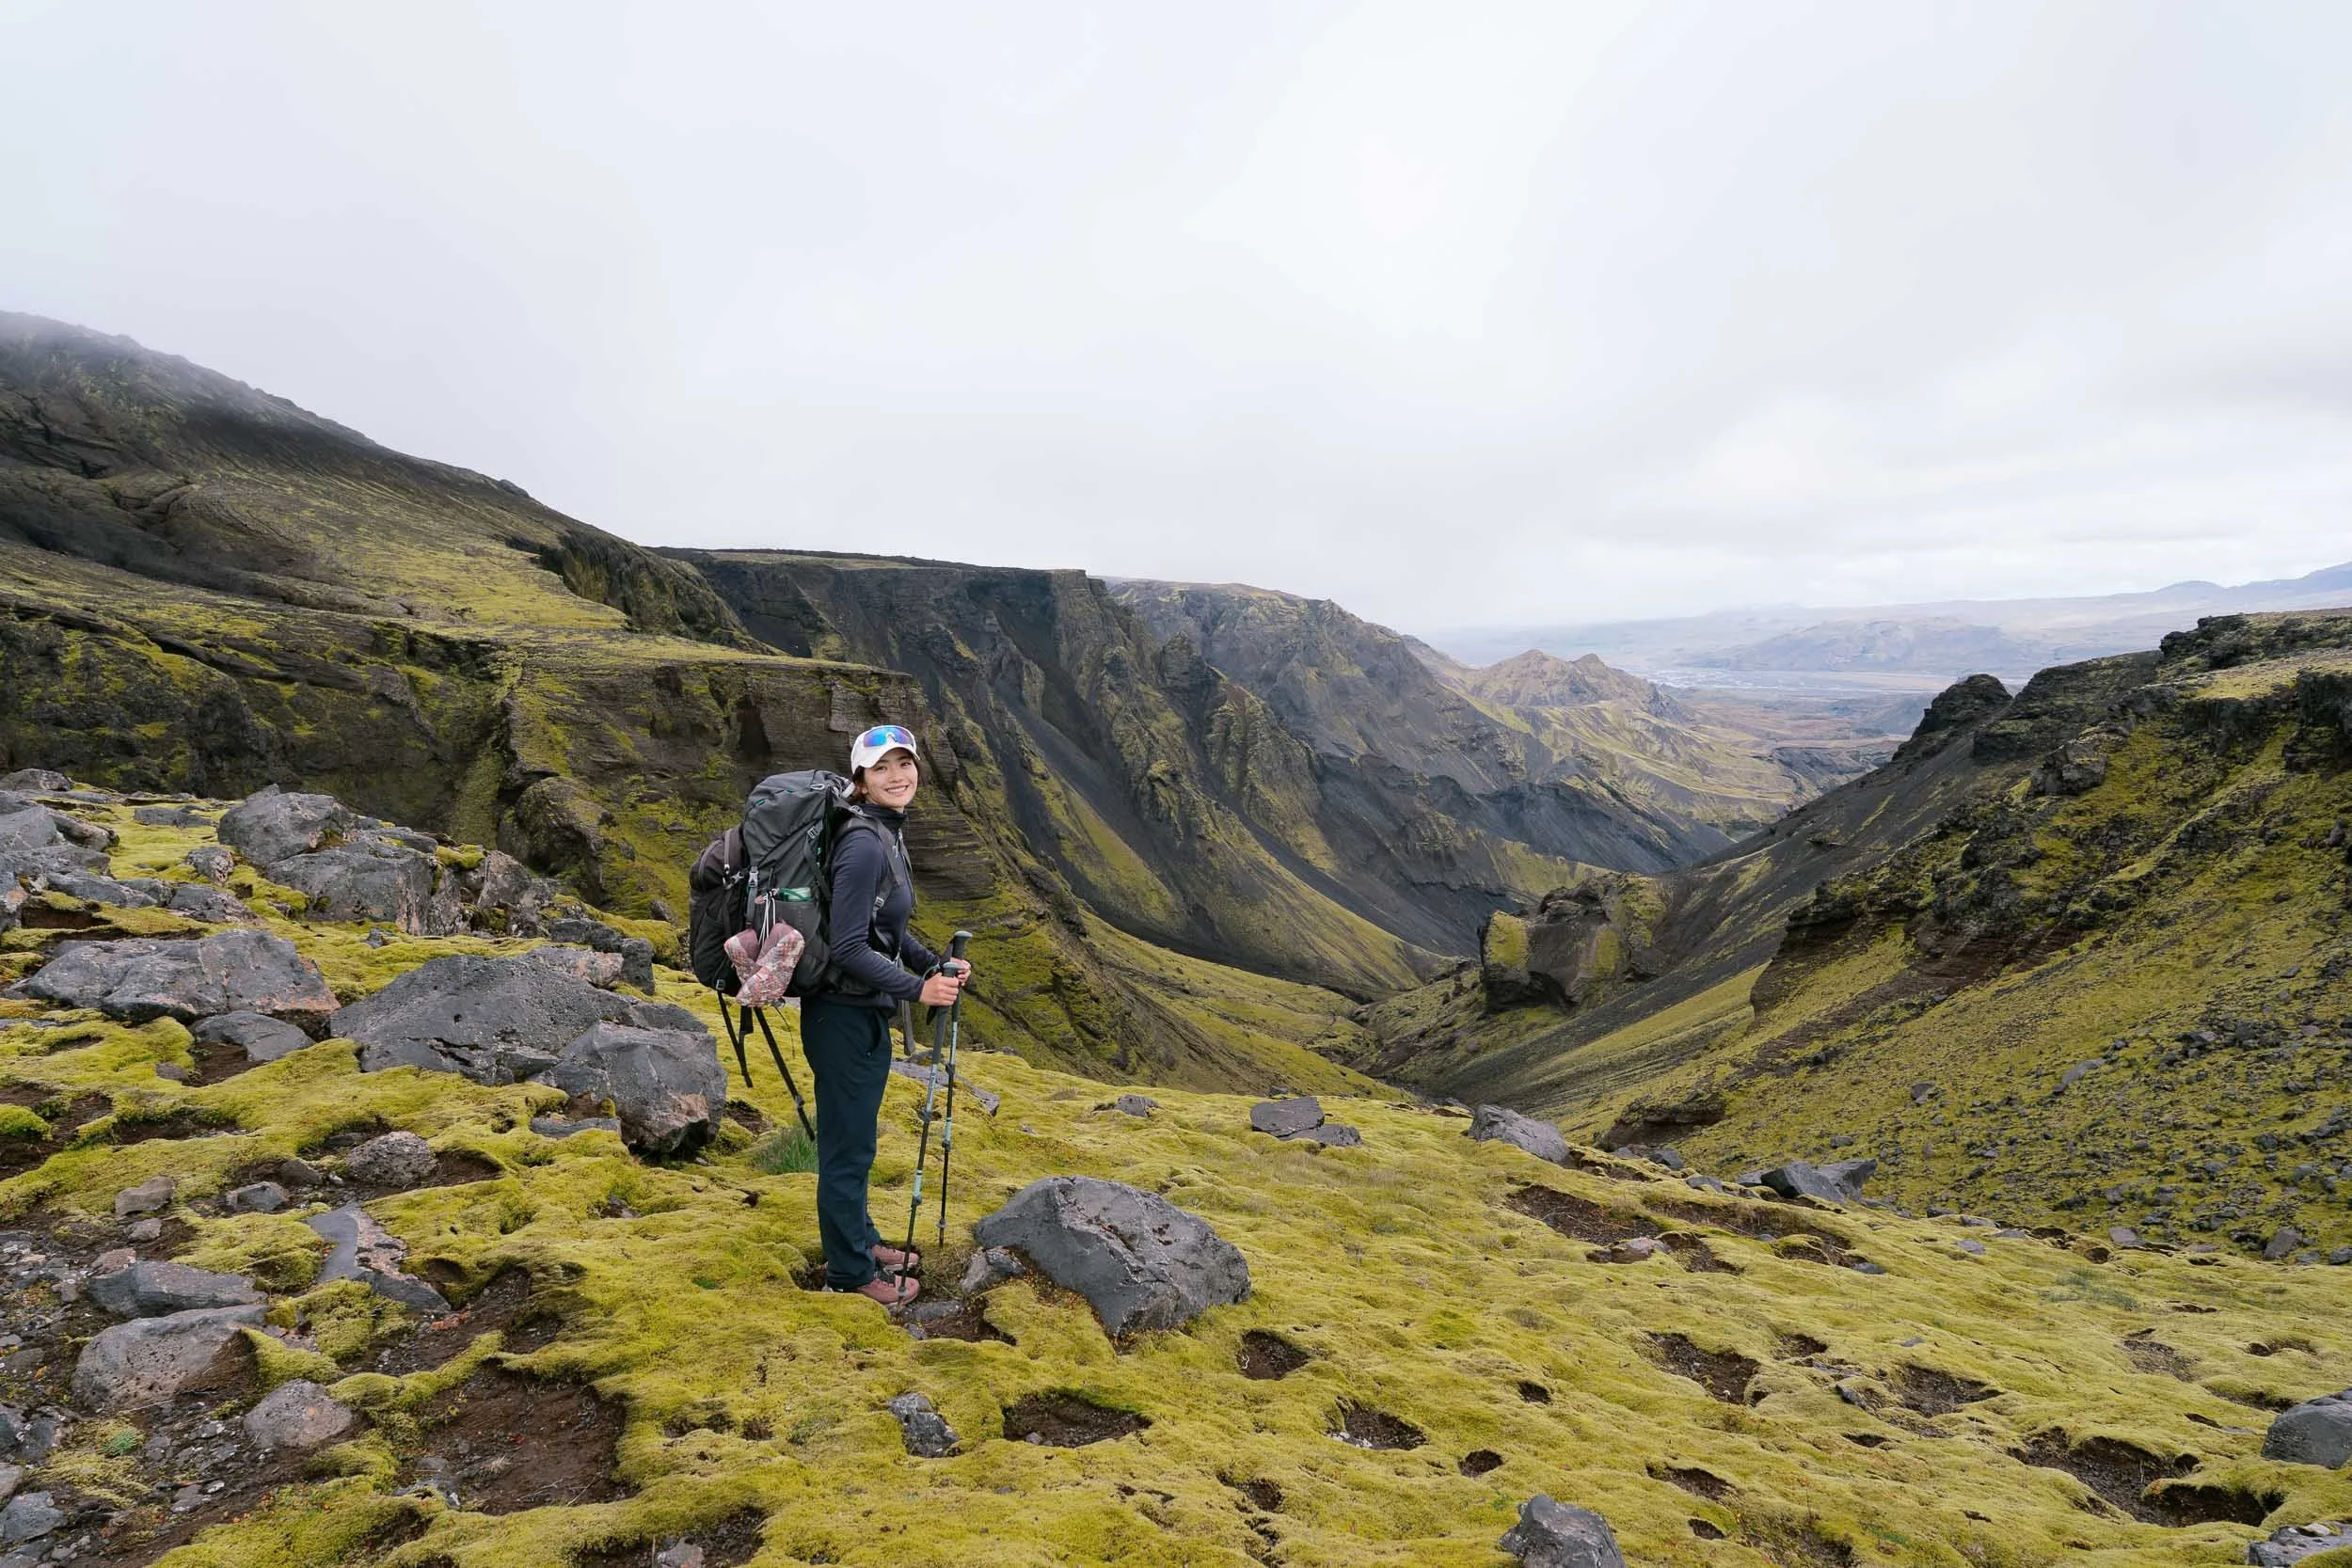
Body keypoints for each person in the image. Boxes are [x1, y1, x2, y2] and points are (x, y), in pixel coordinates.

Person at [803, 723, 968, 1307]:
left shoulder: (887, 832)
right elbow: (848, 946)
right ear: (861, 780)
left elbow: (885, 930)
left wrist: (935, 963)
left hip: (860, 1011)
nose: (899, 776)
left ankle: (862, 1240)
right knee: (846, 1150)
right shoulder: (866, 843)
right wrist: (918, 991)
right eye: (883, 769)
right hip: (840, 1017)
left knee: (858, 1142)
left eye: (905, 764)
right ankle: (849, 1274)